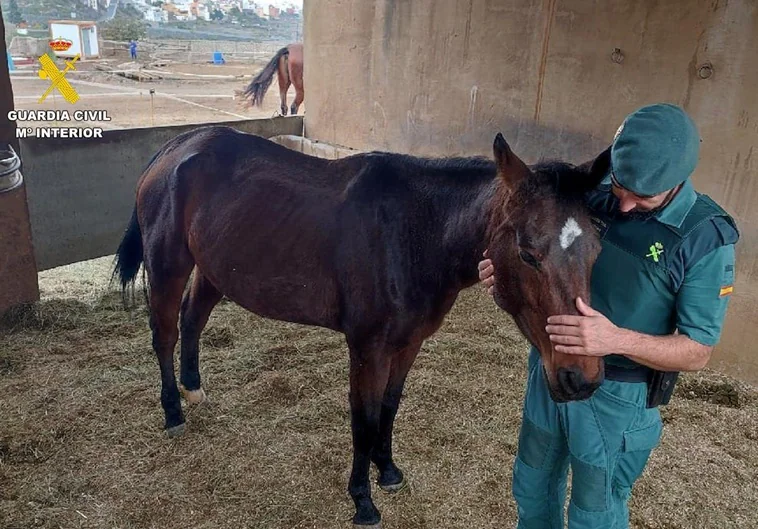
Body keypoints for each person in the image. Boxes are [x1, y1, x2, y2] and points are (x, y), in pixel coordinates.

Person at [478, 103, 739, 529]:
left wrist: (614, 340)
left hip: (618, 396)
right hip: (550, 370)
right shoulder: (593, 192)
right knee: (530, 485)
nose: (624, 205)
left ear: (678, 181)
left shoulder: (703, 239)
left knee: (593, 514)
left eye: (644, 197)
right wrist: (505, 278)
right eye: (621, 186)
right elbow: (540, 250)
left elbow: (697, 351)